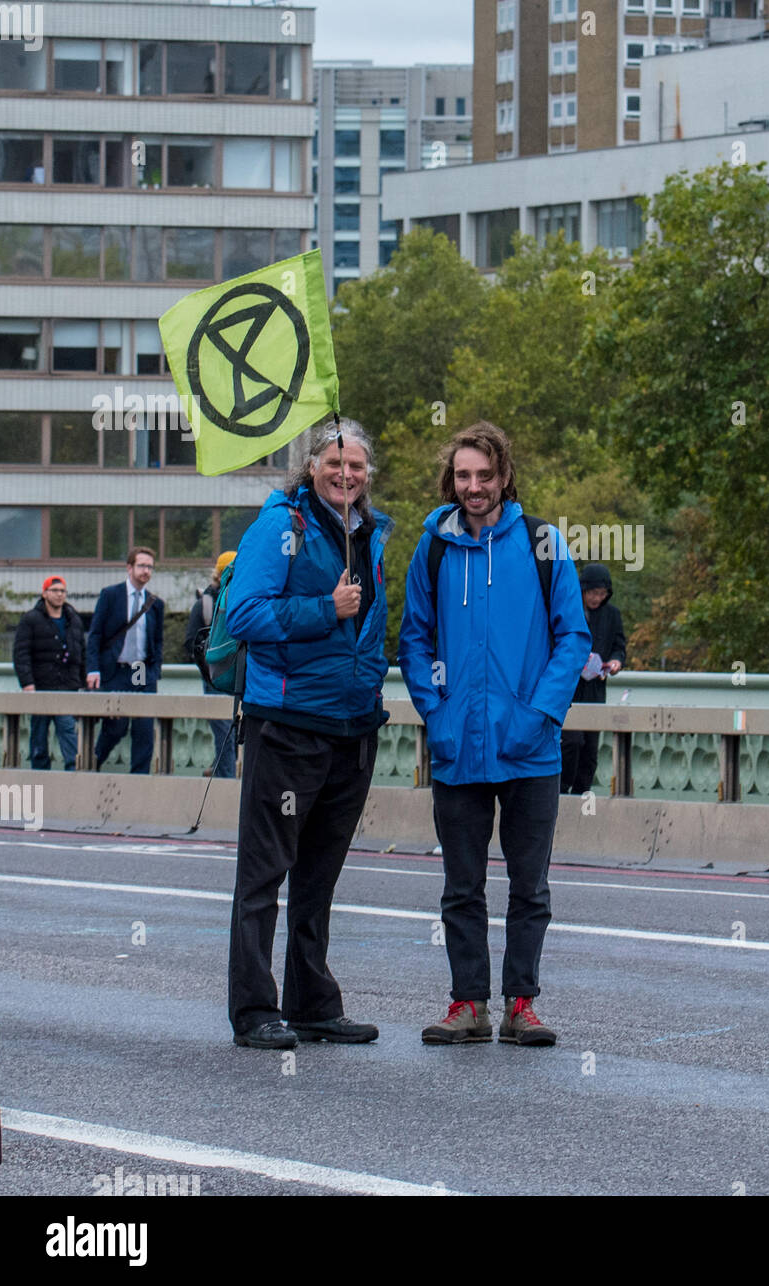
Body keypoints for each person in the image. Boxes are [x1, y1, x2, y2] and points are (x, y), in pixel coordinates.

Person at [400, 421, 590, 1048]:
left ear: (505, 475)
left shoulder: (543, 544)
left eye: (484, 475)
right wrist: (438, 712)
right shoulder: (432, 547)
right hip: (459, 748)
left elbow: (574, 639)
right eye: (462, 476)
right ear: (450, 481)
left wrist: (539, 714)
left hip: (531, 749)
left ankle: (522, 1005)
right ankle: (467, 1004)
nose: (473, 486)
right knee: (462, 886)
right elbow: (413, 640)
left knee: (530, 886)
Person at [225, 419, 392, 1050]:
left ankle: (313, 1003)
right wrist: (326, 608)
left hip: (353, 727)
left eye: (355, 466)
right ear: (311, 466)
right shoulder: (282, 525)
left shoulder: (369, 534)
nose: (345, 474)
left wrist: (371, 684)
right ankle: (254, 1010)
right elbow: (245, 613)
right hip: (288, 725)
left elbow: (371, 628)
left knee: (319, 878)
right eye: (333, 462)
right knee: (264, 875)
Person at [86, 548, 165, 773]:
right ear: (129, 568)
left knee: (144, 729)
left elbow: (157, 641)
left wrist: (154, 672)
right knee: (115, 726)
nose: (146, 571)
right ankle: (93, 765)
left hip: (140, 669)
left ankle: (138, 781)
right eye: (141, 566)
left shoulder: (155, 603)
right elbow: (95, 635)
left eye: (150, 567)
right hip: (116, 669)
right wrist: (93, 669)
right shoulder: (111, 595)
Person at [561, 562, 626, 794]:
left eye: (602, 594)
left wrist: (616, 663)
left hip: (596, 688)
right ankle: (562, 787)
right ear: (583, 590)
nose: (597, 598)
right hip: (571, 689)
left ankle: (582, 793)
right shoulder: (570, 610)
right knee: (571, 741)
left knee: (590, 749)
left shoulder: (612, 615)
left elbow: (619, 646)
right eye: (593, 593)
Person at [13, 575, 85, 770]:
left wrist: (82, 683)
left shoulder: (73, 620)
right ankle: (39, 775)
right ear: (44, 593)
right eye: (55, 591)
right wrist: (27, 683)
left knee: (68, 732)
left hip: (67, 688)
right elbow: (21, 653)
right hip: (40, 687)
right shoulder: (31, 619)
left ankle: (73, 773)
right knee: (39, 736)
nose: (59, 595)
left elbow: (81, 653)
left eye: (63, 591)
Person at [184, 550, 238, 779]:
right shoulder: (205, 604)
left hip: (235, 681)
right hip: (215, 681)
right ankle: (225, 781)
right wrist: (210, 672)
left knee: (230, 736)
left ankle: (218, 772)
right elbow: (191, 644)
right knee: (225, 735)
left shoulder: (242, 597)